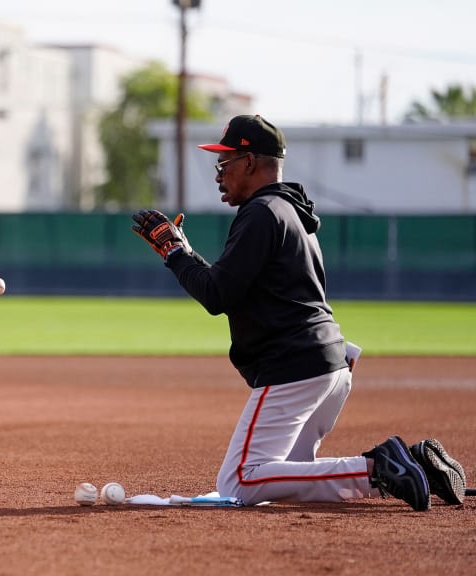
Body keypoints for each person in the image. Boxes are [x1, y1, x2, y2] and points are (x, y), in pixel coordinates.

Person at [130, 114, 466, 510]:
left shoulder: (260, 212)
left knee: (241, 481)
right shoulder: (290, 212)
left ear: (250, 162)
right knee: (287, 477)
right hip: (329, 365)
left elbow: (216, 295)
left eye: (224, 164)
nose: (219, 175)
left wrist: (175, 253)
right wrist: (185, 254)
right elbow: (228, 284)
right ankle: (416, 470)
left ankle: (376, 468)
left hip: (296, 367)